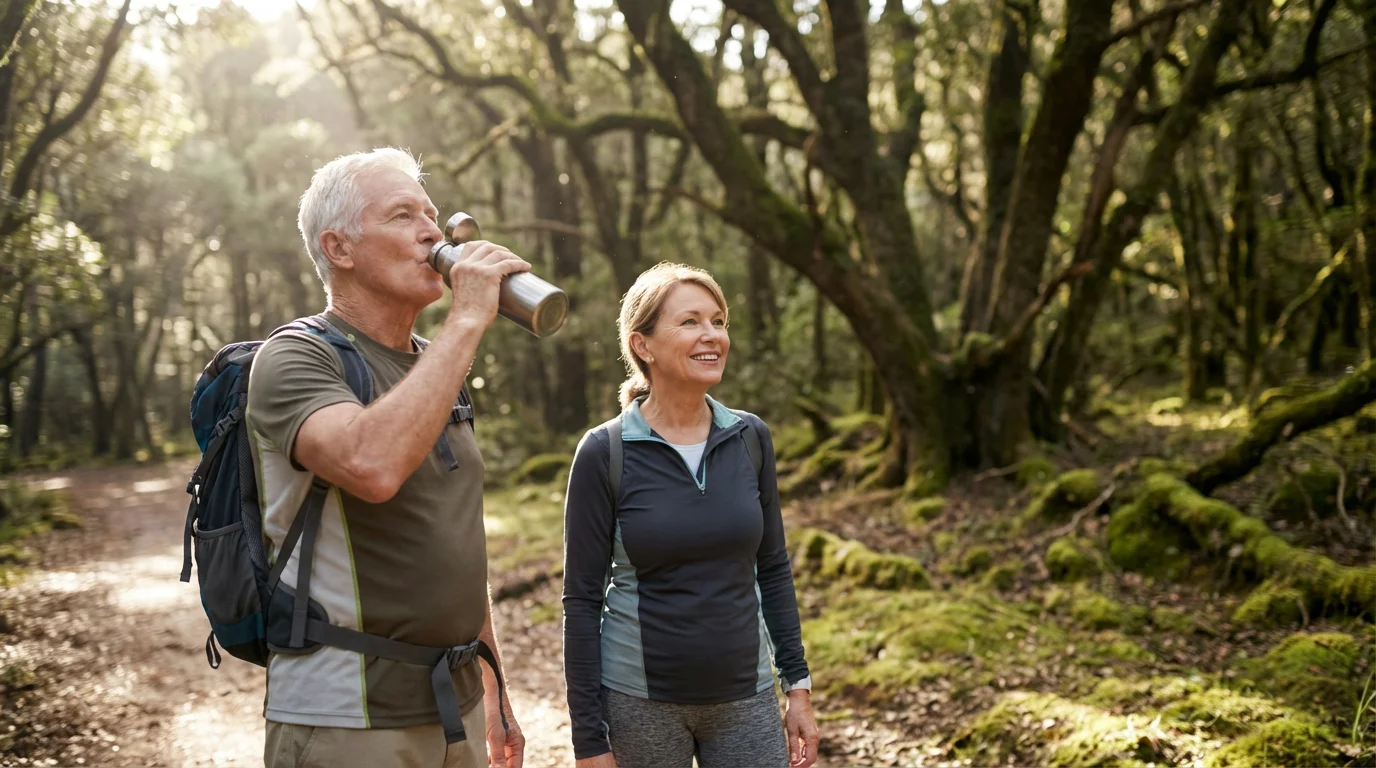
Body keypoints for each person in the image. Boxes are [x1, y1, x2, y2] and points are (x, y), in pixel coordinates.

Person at [246, 147, 527, 768]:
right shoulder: (294, 358)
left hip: (458, 703)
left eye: (432, 213)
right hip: (348, 715)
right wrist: (468, 320)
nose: (431, 230)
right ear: (339, 248)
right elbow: (370, 467)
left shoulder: (438, 363)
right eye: (403, 215)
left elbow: (452, 540)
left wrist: (495, 688)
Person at [561, 262, 822, 768]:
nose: (712, 336)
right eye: (691, 322)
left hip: (746, 699)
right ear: (643, 345)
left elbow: (772, 567)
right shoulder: (604, 451)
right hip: (640, 704)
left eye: (719, 321)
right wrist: (589, 741)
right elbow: (581, 601)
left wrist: (799, 689)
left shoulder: (750, 438)